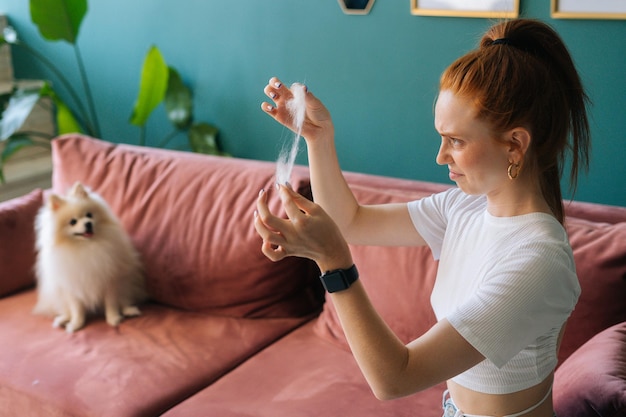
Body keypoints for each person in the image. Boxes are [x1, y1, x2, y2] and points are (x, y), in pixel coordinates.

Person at [254, 18, 590, 417]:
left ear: (515, 145)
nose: (441, 156)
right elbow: (350, 221)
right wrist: (318, 138)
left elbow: (395, 378)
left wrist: (334, 265)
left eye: (456, 141)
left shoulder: (539, 261)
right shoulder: (464, 207)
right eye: (441, 137)